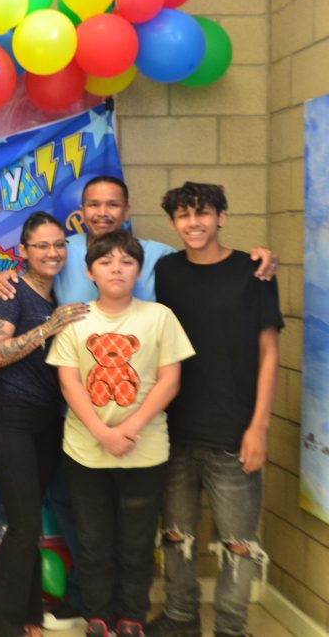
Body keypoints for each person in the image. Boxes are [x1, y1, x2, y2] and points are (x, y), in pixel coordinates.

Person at [0, 175, 277, 630]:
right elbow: (35, 277)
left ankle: (151, 616)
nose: (116, 268)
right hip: (80, 425)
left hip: (158, 427)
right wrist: (6, 275)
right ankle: (96, 607)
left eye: (113, 204)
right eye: (94, 204)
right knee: (87, 524)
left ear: (127, 213)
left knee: (146, 534)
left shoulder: (167, 261)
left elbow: (222, 325)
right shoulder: (67, 253)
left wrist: (261, 257)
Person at [147, 183, 282, 637]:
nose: (194, 223)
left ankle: (230, 627)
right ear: (172, 224)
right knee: (176, 535)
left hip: (234, 432)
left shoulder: (253, 271)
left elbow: (269, 353)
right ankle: (180, 616)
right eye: (183, 215)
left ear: (221, 217)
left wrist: (259, 426)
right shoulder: (165, 271)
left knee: (238, 543)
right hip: (173, 430)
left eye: (203, 213)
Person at [45, 230, 195, 637]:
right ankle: (97, 615)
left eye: (126, 262)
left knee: (137, 542)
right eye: (106, 262)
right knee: (93, 540)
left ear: (139, 271)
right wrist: (101, 432)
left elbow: (170, 381)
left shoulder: (159, 316)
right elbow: (69, 382)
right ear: (89, 271)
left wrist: (128, 429)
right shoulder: (75, 318)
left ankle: (131, 616)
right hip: (84, 451)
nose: (116, 269)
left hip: (145, 450)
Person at [0, 213, 89, 637]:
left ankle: (26, 614)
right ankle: (0, 626)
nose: (52, 252)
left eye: (59, 244)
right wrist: (48, 327)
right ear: (23, 251)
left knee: (28, 522)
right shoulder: (11, 292)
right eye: (41, 245)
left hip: (46, 420)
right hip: (10, 416)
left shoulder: (58, 292)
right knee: (25, 523)